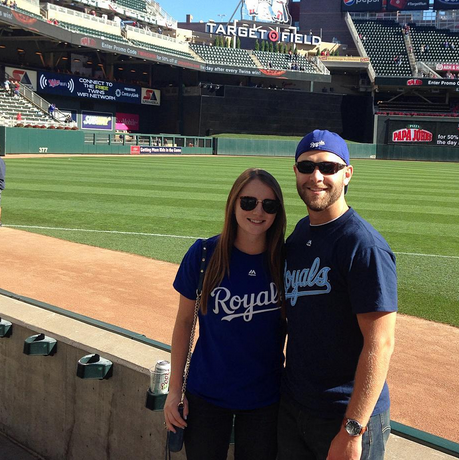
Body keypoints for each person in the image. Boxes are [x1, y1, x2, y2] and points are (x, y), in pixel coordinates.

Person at [278, 129, 398, 460]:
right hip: (295, 407)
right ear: (296, 172)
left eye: (328, 167)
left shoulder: (362, 245)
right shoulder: (301, 232)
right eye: (307, 166)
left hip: (344, 416)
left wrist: (353, 428)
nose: (316, 176)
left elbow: (380, 343)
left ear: (347, 174)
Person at [164, 168, 287, 460]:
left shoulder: (285, 260)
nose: (258, 211)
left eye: (268, 205)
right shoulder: (205, 254)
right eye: (248, 202)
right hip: (206, 395)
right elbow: (184, 323)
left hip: (265, 399)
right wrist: (174, 391)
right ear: (233, 203)